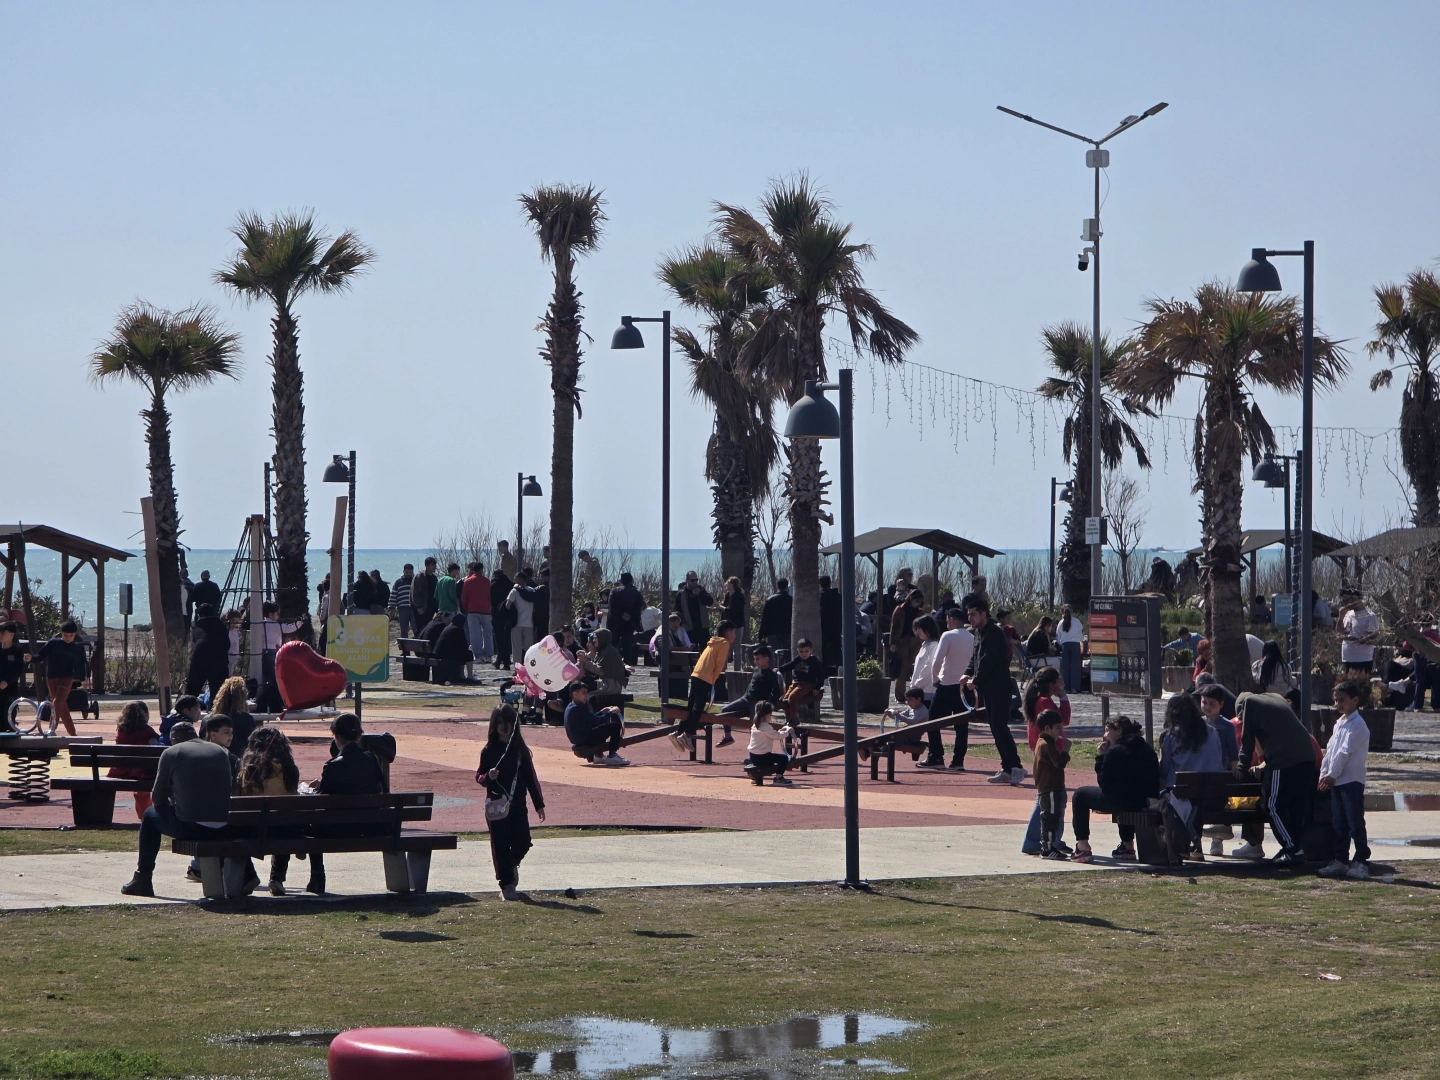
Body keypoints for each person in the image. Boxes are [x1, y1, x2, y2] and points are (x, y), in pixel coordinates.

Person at [121, 713, 237, 897]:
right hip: (224, 826)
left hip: (192, 827)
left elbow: (158, 798)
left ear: (174, 740)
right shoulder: (220, 751)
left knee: (149, 815)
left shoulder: (172, 752)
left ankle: (143, 877)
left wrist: (173, 801)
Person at [305, 712, 386, 895]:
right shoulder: (372, 759)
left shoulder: (332, 766)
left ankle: (318, 876)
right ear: (358, 735)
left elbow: (320, 798)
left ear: (337, 737)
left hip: (336, 829)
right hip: (369, 827)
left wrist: (312, 790)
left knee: (310, 823)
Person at [1236, 691, 1319, 866]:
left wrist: (1241, 767)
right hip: (1307, 756)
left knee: (1272, 805)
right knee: (1295, 807)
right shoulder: (1276, 698)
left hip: (1284, 759)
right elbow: (1280, 734)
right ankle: (1293, 847)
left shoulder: (1249, 703)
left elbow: (1247, 741)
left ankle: (1292, 848)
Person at [477, 704, 546, 900]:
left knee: (523, 841)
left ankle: (511, 862)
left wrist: (539, 804)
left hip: (518, 804)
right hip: (496, 805)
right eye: (499, 722)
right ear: (494, 725)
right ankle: (506, 884)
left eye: (508, 722)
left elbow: (531, 778)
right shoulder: (488, 750)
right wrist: (488, 777)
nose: (504, 726)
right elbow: (479, 777)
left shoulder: (520, 751)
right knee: (499, 844)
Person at [1070, 716, 1161, 862]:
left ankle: (1082, 846)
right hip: (1144, 801)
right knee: (1124, 794)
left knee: (1080, 795)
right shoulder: (1147, 748)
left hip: (1121, 801)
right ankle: (1127, 845)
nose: (1105, 735)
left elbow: (1103, 783)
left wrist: (1100, 757)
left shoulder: (1115, 751)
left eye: (1108, 731)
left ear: (1118, 731)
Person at [960, 595, 1024, 786]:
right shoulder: (978, 633)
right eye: (968, 614)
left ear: (983, 614)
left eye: (973, 614)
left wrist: (975, 680)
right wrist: (966, 674)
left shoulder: (995, 632)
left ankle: (1016, 767)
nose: (970, 618)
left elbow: (988, 660)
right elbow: (975, 658)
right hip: (988, 688)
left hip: (1000, 687)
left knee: (1000, 726)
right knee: (995, 727)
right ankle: (1006, 769)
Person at [1158, 693, 1224, 863]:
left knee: (1169, 796)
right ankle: (1195, 844)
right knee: (1194, 794)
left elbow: (1164, 770)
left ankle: (1187, 845)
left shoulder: (1172, 736)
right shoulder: (1211, 732)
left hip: (1185, 797)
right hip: (1215, 796)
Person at [1318, 680, 1372, 881]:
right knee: (1339, 822)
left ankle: (1361, 861)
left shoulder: (1358, 725)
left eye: (1342, 700)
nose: (1338, 704)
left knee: (1354, 822)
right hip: (1336, 781)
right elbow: (1331, 750)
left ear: (1355, 700)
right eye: (1336, 700)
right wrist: (1324, 773)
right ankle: (1340, 859)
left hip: (1351, 780)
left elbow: (1344, 752)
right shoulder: (1339, 723)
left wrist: (1332, 774)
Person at [238, 727, 302, 895]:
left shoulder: (249, 769)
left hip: (252, 828)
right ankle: (277, 877)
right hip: (283, 829)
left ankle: (249, 875)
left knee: (233, 831)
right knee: (286, 823)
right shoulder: (290, 769)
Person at [1019, 667, 1071, 854]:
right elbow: (1064, 719)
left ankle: (1053, 839)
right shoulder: (1045, 701)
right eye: (1059, 682)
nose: (1061, 685)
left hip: (1045, 751)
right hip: (1050, 753)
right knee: (1048, 799)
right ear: (1051, 684)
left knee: (1052, 800)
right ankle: (1037, 841)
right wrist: (1063, 698)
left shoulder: (1038, 699)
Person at [926, 608, 975, 770]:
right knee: (962, 724)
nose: (946, 623)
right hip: (964, 685)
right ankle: (958, 760)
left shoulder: (948, 636)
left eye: (948, 619)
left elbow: (937, 661)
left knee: (933, 719)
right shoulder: (972, 637)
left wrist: (935, 679)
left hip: (947, 684)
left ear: (952, 619)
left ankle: (936, 755)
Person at [676, 621, 736, 751]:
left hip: (696, 673)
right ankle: (687, 734)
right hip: (705, 677)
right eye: (734, 632)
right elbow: (720, 665)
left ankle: (678, 732)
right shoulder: (725, 643)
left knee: (691, 706)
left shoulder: (713, 642)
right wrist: (713, 680)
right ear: (728, 632)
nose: (735, 636)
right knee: (698, 707)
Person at [36, 619, 87, 735]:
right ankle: (72, 733)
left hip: (67, 677)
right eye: (65, 635)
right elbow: (41, 655)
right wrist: (31, 658)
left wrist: (83, 679)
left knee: (57, 702)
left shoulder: (77, 647)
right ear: (61, 633)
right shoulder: (53, 643)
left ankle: (51, 729)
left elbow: (81, 664)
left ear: (75, 635)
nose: (68, 638)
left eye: (71, 636)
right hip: (52, 677)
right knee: (62, 706)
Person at [111, 700, 161, 819]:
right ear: (145, 715)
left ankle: (144, 815)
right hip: (143, 772)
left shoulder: (121, 732)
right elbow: (156, 748)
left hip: (122, 771)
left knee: (139, 789)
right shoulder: (147, 732)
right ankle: (150, 815)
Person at [1032, 710, 1070, 860]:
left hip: (1048, 788)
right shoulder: (1046, 745)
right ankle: (1047, 849)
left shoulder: (1043, 743)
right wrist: (1065, 751)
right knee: (1050, 818)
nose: (1060, 731)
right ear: (1047, 728)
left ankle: (1050, 846)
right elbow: (1059, 763)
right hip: (1050, 788)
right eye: (1057, 728)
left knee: (1051, 817)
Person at [562, 682, 628, 765]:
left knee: (598, 728)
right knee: (615, 726)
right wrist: (610, 712)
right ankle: (612, 755)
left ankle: (598, 755)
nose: (586, 696)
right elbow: (597, 721)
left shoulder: (571, 706)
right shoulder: (579, 707)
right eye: (584, 693)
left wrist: (601, 712)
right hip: (585, 739)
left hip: (579, 739)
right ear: (575, 694)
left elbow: (591, 718)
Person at [720, 646, 785, 723]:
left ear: (766, 659)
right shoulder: (756, 669)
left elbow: (776, 692)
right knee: (725, 710)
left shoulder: (771, 674)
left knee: (754, 723)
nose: (755, 662)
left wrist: (769, 705)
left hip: (756, 702)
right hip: (746, 698)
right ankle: (727, 731)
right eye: (754, 659)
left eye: (757, 659)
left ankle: (754, 730)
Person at [889, 588, 926, 703]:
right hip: (902, 641)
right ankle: (900, 695)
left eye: (919, 602)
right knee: (903, 668)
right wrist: (892, 642)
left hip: (916, 641)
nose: (917, 604)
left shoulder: (920, 612)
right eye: (916, 601)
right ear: (911, 599)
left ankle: (915, 694)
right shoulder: (900, 609)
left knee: (917, 667)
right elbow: (893, 626)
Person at [777, 638, 825, 722]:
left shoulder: (814, 661)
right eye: (801, 652)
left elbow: (821, 675)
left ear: (811, 650)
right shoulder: (798, 659)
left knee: (793, 697)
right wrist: (779, 669)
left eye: (806, 651)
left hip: (806, 684)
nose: (804, 654)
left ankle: (794, 717)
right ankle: (788, 718)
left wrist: (817, 687)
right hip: (795, 682)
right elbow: (790, 665)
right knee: (785, 699)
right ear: (798, 650)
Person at [745, 701, 793, 786]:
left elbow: (772, 734)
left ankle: (756, 777)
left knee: (771, 761)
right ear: (768, 715)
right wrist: (787, 732)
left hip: (753, 756)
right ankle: (779, 778)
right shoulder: (766, 726)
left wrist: (779, 732)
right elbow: (777, 736)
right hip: (762, 757)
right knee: (783, 759)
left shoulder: (755, 725)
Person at [211, 676, 258, 758]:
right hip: (237, 761)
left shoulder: (209, 719)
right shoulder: (246, 719)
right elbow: (254, 744)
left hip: (213, 759)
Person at [606, 572, 646, 666]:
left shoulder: (615, 591)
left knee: (613, 643)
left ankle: (612, 663)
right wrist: (630, 615)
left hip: (615, 621)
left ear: (621, 581)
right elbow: (640, 605)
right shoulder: (636, 592)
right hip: (629, 622)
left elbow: (612, 605)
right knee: (627, 644)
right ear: (631, 580)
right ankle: (627, 664)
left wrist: (622, 614)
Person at [461, 562, 494, 670]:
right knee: (487, 633)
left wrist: (466, 608)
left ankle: (478, 655)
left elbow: (464, 598)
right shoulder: (487, 581)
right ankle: (488, 654)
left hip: (472, 610)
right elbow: (490, 596)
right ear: (481, 570)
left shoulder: (467, 581)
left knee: (475, 634)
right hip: (486, 610)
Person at [1339, 591, 1379, 674]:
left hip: (1362, 659)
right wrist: (1341, 617)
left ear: (1356, 598)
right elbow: (1339, 632)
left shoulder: (1370, 616)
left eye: (1348, 600)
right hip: (1347, 658)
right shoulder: (1348, 614)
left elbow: (1372, 639)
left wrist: (1351, 639)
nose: (1346, 603)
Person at [0, 621, 32, 724]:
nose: (1, 635)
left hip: (10, 688)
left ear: (11, 635)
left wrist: (7, 681)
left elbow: (19, 669)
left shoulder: (17, 650)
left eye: (3, 633)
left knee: (9, 715)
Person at [434, 613, 475, 685]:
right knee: (469, 654)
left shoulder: (448, 628)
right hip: (446, 656)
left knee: (462, 653)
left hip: (439, 654)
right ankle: (469, 676)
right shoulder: (458, 629)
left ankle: (462, 675)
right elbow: (464, 646)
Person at [588, 628, 630, 696]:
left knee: (582, 688)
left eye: (596, 638)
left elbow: (601, 671)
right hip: (605, 682)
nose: (593, 640)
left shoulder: (609, 652)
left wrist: (586, 662)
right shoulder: (602, 650)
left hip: (610, 685)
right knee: (580, 684)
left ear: (602, 638)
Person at [674, 571, 714, 642]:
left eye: (696, 580)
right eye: (692, 580)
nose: (694, 582)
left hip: (702, 627)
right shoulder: (681, 593)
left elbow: (710, 602)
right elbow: (677, 610)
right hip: (689, 627)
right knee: (691, 648)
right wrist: (683, 623)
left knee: (705, 648)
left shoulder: (701, 589)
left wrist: (700, 594)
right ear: (687, 580)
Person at [507, 573, 538, 659]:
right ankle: (529, 664)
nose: (514, 580)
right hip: (529, 623)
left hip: (517, 623)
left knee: (517, 648)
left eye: (515, 578)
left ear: (519, 580)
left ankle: (517, 665)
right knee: (529, 648)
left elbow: (508, 605)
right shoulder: (532, 590)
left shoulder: (514, 591)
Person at [1055, 605, 1084, 692]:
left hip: (1065, 645)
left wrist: (1062, 643)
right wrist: (1079, 640)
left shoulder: (1061, 623)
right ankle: (1074, 687)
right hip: (1075, 644)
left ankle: (1066, 687)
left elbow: (1058, 636)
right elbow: (1081, 633)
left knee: (1066, 667)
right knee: (1075, 666)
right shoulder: (1077, 621)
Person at [491, 567, 516, 669]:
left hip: (498, 614)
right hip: (509, 614)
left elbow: (491, 600)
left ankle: (505, 662)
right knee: (506, 639)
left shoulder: (493, 585)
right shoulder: (511, 585)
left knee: (499, 639)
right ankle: (499, 660)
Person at [759, 579, 792, 654]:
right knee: (787, 654)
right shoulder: (791, 600)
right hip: (788, 630)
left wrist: (761, 634)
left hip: (772, 631)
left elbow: (765, 618)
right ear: (786, 587)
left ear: (777, 587)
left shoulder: (770, 600)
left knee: (773, 654)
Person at [819, 575, 842, 673]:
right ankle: (838, 668)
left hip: (823, 627)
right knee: (836, 649)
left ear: (820, 584)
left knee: (824, 650)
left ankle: (825, 671)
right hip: (837, 627)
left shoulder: (820, 597)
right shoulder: (838, 596)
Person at [412, 557, 440, 630]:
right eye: (432, 565)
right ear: (427, 566)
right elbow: (415, 593)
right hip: (422, 608)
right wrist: (419, 607)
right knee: (421, 629)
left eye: (435, 565)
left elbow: (435, 593)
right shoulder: (420, 576)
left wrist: (437, 608)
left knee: (428, 628)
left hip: (431, 608)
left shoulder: (434, 578)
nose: (434, 567)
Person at [392, 564, 417, 641]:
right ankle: (405, 647)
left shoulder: (416, 581)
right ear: (403, 572)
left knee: (416, 628)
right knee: (404, 629)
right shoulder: (398, 582)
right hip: (402, 608)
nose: (408, 574)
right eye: (407, 572)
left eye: (410, 572)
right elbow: (393, 595)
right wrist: (392, 607)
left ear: (412, 572)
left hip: (414, 608)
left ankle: (418, 646)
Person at [533, 567, 552, 642]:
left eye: (542, 577)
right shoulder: (554, 589)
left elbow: (529, 596)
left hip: (540, 617)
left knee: (541, 638)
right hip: (548, 616)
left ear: (548, 577)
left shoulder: (540, 588)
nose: (541, 579)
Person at [224, 608, 244, 675]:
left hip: (235, 656)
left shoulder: (236, 631)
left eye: (237, 622)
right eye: (233, 621)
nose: (235, 624)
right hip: (228, 656)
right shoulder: (226, 631)